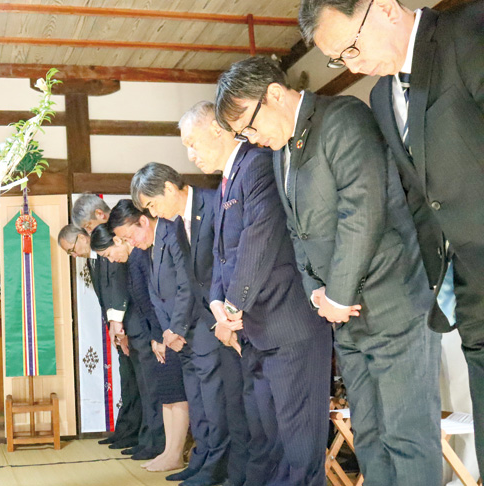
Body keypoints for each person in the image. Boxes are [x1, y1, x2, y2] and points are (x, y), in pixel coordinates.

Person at [215, 56, 442, 486]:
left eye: (250, 126)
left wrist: (336, 293)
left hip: (392, 301)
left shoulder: (342, 118)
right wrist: (316, 289)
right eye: (244, 135)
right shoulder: (281, 152)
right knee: (369, 435)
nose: (253, 139)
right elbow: (297, 232)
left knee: (407, 435)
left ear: (274, 95)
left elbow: (363, 210)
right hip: (343, 315)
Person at [299, 0, 484, 471]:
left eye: (352, 47)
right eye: (339, 59)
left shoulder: (470, 31)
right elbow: (421, 201)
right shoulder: (383, 96)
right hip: (472, 294)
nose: (352, 64)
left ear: (383, 8)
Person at [180, 100, 332, 486]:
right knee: (268, 439)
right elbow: (222, 254)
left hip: (288, 324)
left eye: (192, 143)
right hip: (256, 332)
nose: (190, 155)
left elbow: (258, 241)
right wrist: (217, 300)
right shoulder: (227, 180)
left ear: (218, 130)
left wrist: (233, 305)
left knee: (298, 446)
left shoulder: (258, 164)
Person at [110, 199, 227, 486]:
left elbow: (186, 285)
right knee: (197, 403)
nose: (130, 243)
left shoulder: (170, 234)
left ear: (143, 221)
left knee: (211, 404)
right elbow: (153, 296)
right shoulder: (147, 248)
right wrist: (163, 332)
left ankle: (213, 465)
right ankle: (200, 460)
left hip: (194, 329)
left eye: (129, 236)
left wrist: (174, 329)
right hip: (172, 335)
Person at [90, 224, 173, 467]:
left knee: (153, 390)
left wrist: (155, 334)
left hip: (147, 329)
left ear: (117, 240)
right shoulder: (128, 257)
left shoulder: (137, 255)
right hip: (139, 330)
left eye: (108, 254)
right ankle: (147, 439)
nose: (111, 261)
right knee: (144, 390)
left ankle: (157, 442)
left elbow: (146, 297)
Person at [57, 222, 142, 451]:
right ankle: (125, 430)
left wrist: (120, 329)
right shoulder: (93, 260)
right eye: (69, 254)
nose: (74, 255)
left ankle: (138, 435)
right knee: (127, 382)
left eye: (72, 249)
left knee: (138, 383)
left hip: (130, 326)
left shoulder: (108, 255)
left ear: (82, 237)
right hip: (117, 330)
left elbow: (119, 291)